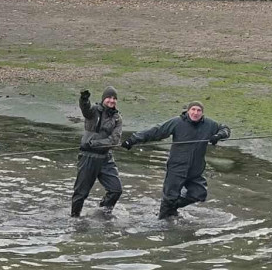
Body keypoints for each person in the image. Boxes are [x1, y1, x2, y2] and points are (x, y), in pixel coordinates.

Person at [122, 101, 230, 220]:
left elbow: (225, 129)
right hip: (176, 168)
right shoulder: (177, 122)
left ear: (202, 113)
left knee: (199, 194)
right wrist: (132, 140)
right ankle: (162, 221)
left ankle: (171, 209)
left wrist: (218, 136)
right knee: (169, 198)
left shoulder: (209, 124)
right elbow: (156, 131)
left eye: (199, 110)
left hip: (196, 170)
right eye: (193, 109)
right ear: (188, 111)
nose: (195, 113)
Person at [71, 87, 124, 217]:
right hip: (88, 156)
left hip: (106, 158)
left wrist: (95, 144)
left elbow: (114, 140)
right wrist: (84, 99)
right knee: (81, 193)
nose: (112, 100)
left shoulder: (117, 118)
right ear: (103, 99)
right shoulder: (93, 111)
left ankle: (102, 213)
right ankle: (75, 219)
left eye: (114, 98)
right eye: (109, 97)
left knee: (116, 190)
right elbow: (85, 109)